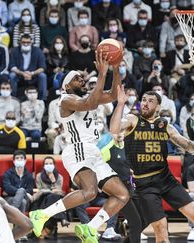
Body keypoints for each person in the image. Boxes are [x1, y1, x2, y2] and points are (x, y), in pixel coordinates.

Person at [29, 53, 130, 243]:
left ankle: (90, 228)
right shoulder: (66, 100)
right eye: (77, 78)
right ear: (66, 86)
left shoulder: (88, 97)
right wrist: (102, 74)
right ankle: (41, 215)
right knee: (90, 191)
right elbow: (90, 102)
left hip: (93, 151)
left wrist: (115, 67)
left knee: (122, 194)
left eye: (82, 77)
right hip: (77, 149)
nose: (81, 80)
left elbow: (114, 94)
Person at [110, 88, 194, 243]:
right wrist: (120, 104)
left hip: (165, 178)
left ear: (158, 107)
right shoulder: (133, 120)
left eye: (150, 101)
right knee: (161, 226)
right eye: (143, 100)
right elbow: (114, 129)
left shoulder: (165, 125)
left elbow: (188, 145)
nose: (145, 103)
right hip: (144, 183)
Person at [101, 132, 143, 242]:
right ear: (112, 133)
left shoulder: (128, 148)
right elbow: (98, 170)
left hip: (131, 187)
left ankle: (125, 227)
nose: (119, 133)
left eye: (122, 131)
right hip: (119, 190)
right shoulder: (107, 150)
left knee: (143, 218)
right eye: (116, 131)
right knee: (136, 222)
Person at [32, 156, 70, 237]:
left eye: (50, 163)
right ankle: (63, 217)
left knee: (53, 197)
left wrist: (53, 181)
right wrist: (51, 191)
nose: (48, 165)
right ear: (43, 165)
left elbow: (59, 191)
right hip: (42, 198)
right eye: (46, 163)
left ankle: (44, 228)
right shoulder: (39, 176)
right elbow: (40, 191)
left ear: (54, 165)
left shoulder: (59, 177)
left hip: (55, 198)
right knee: (52, 196)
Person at [9, 34, 47, 99]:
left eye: (28, 42)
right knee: (12, 75)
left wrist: (32, 73)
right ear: (20, 42)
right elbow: (12, 67)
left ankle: (42, 99)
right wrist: (22, 73)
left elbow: (42, 67)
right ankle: (13, 98)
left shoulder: (38, 51)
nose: (26, 44)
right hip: (19, 76)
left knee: (42, 76)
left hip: (33, 76)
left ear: (31, 42)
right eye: (23, 42)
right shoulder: (14, 51)